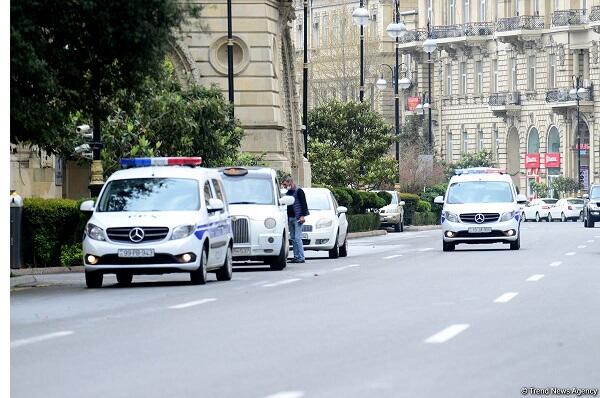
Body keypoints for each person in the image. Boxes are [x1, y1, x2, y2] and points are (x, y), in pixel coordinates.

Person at [282, 176, 309, 263]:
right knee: (293, 238)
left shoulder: (299, 191)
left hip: (297, 217)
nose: (285, 186)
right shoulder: (288, 193)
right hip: (290, 218)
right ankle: (296, 256)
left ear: (290, 182)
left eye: (285, 184)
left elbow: (304, 204)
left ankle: (301, 257)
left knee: (297, 238)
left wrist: (302, 216)